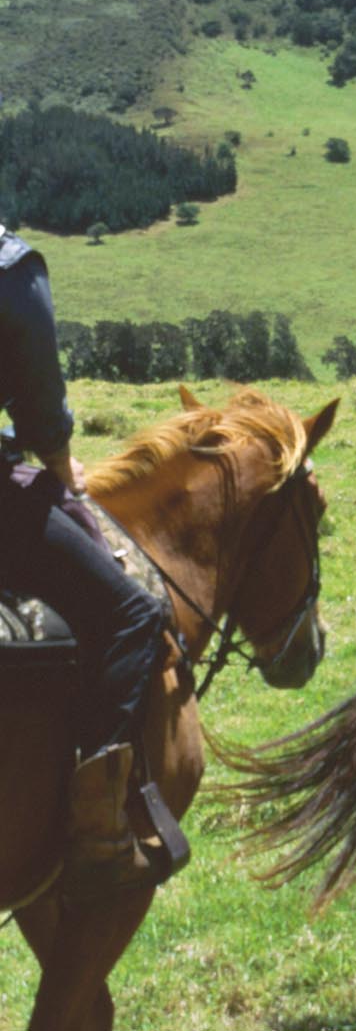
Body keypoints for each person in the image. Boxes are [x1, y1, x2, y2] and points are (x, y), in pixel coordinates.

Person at [0, 224, 173, 898]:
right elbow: (41, 407)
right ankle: (99, 824)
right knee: (134, 611)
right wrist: (59, 467)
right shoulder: (12, 267)